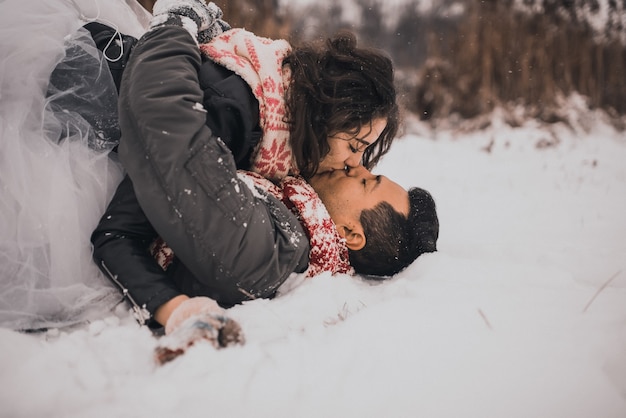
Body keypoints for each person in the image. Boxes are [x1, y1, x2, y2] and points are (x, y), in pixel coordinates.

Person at [90, 0, 439, 356]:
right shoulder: (247, 114)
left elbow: (123, 230)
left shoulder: (272, 156)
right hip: (83, 80)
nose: (357, 165)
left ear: (352, 233)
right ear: (324, 118)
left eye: (365, 173)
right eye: (355, 146)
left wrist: (176, 24)